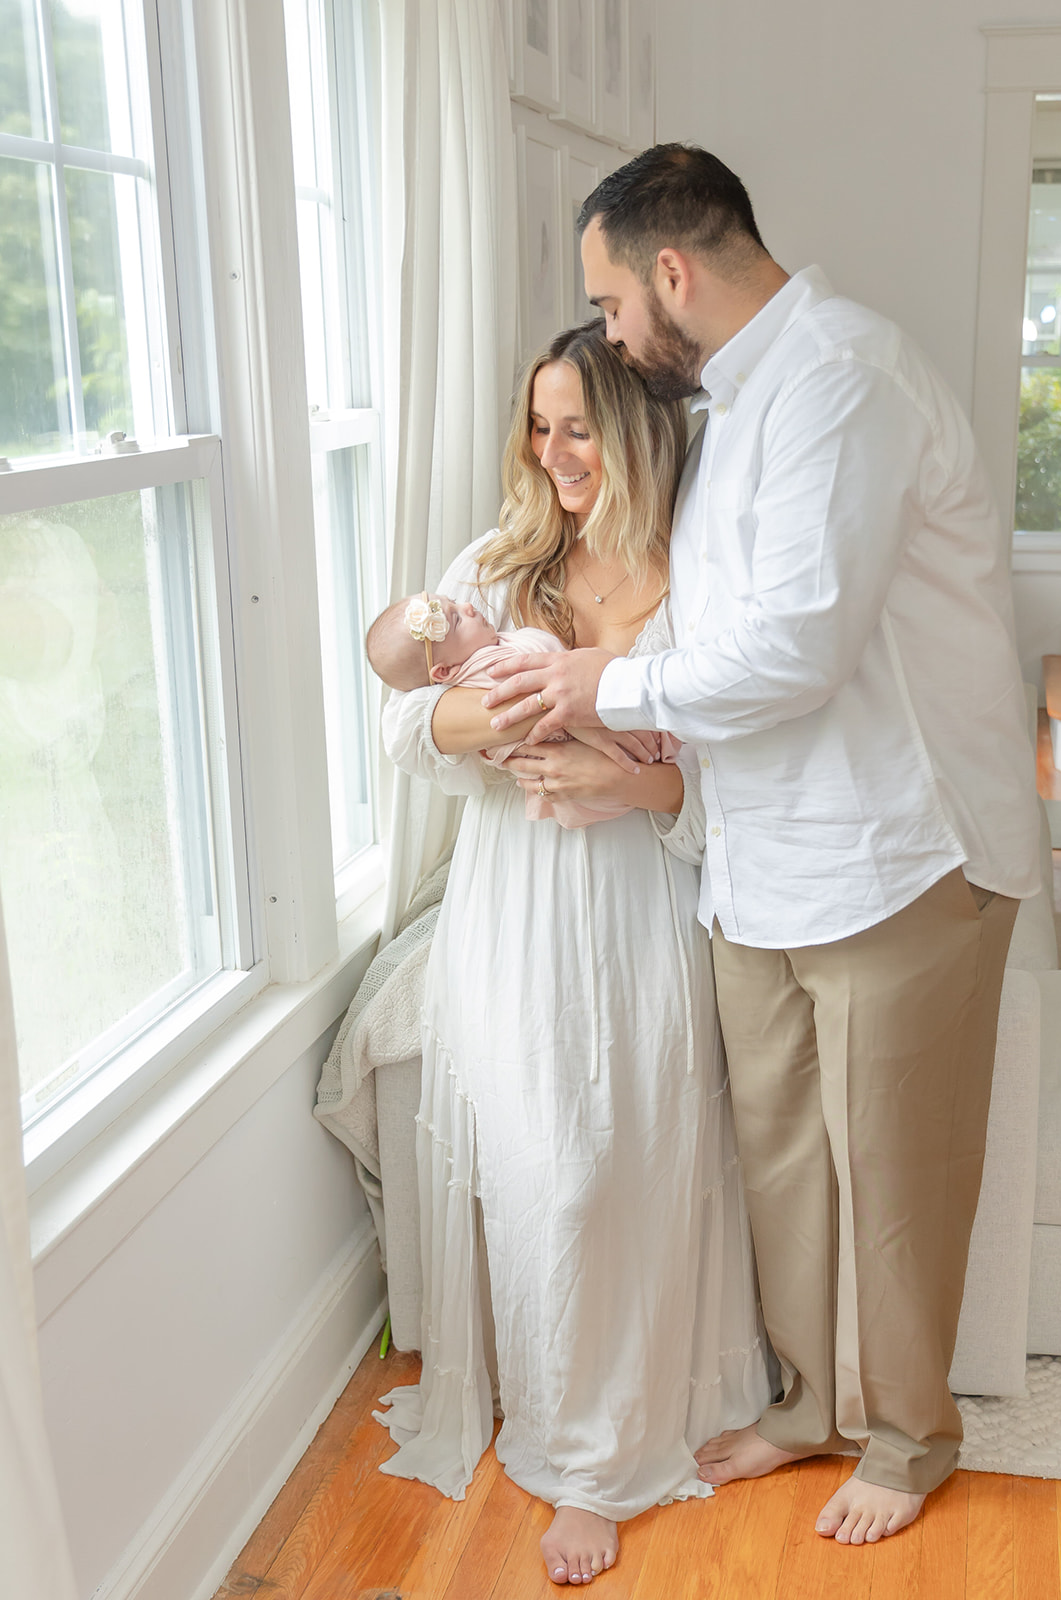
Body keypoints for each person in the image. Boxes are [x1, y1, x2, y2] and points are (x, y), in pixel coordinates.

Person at [483, 144, 1042, 1547]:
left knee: (896, 1174)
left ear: (670, 274)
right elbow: (714, 637)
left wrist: (594, 689)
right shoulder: (728, 404)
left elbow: (791, 650)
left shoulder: (843, 381)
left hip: (900, 854)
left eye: (610, 302)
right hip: (760, 857)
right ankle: (805, 1405)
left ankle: (909, 1438)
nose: (610, 334)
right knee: (783, 1156)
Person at [374, 321, 774, 1585]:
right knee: (557, 1172)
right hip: (515, 907)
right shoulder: (498, 565)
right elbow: (398, 726)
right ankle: (574, 1459)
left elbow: (745, 781)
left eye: (578, 427)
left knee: (644, 1160)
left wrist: (629, 785)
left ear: (641, 431)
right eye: (537, 425)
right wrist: (485, 717)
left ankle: (643, 1414)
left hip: (643, 905)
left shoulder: (703, 575)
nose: (551, 454)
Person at [365, 588, 677, 827]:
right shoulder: (485, 671)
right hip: (569, 778)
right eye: (457, 618)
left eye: (456, 602)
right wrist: (574, 718)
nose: (469, 606)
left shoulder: (485, 650)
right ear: (443, 673)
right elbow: (407, 724)